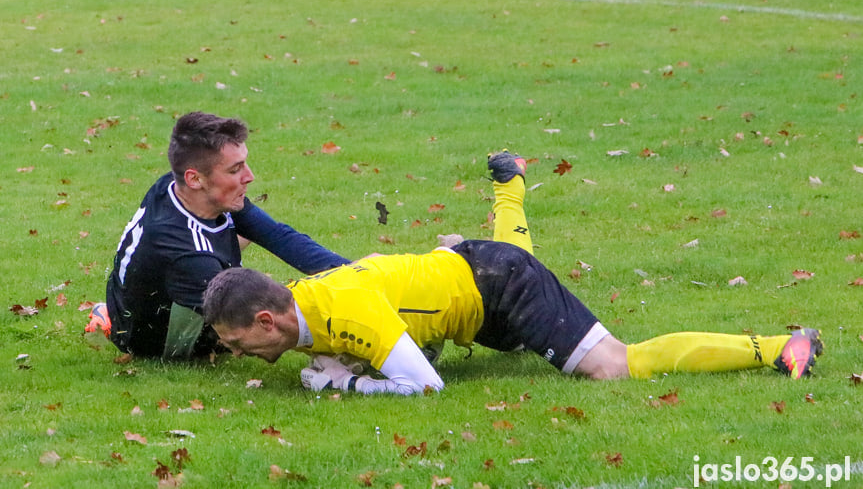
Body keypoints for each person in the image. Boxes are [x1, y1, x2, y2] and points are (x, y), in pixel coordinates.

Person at [201, 153, 824, 395]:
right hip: (468, 278)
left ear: (267, 318)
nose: (234, 353)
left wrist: (342, 385)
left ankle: (776, 347)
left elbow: (424, 388)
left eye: (235, 343)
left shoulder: (345, 310)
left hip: (499, 287)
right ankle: (511, 187)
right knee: (500, 261)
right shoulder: (305, 305)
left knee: (615, 365)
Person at [90, 112, 350, 361]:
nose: (250, 176)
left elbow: (276, 236)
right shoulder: (189, 257)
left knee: (243, 230)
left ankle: (111, 315)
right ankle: (113, 321)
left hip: (137, 295)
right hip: (158, 343)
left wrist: (357, 274)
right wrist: (349, 322)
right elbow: (270, 315)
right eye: (235, 169)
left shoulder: (177, 184)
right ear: (195, 179)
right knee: (266, 321)